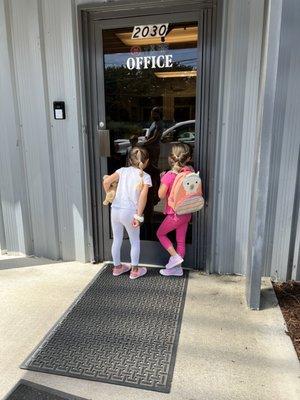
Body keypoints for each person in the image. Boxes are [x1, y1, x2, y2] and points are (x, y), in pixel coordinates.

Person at [103, 147, 152, 279]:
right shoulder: (145, 177)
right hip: (130, 212)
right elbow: (143, 198)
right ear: (146, 161)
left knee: (117, 239)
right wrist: (138, 215)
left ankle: (117, 267)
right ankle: (135, 270)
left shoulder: (121, 171)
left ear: (129, 160)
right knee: (134, 241)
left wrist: (109, 194)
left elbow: (106, 181)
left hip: (115, 210)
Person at [156, 143, 193, 276]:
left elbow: (160, 195)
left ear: (170, 158)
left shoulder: (169, 176)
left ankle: (175, 258)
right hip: (187, 212)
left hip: (174, 214)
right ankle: (177, 269)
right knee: (180, 241)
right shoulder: (190, 172)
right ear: (187, 158)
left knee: (160, 234)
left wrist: (162, 180)